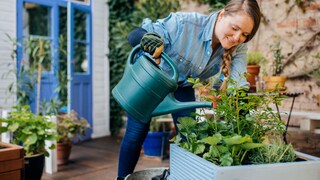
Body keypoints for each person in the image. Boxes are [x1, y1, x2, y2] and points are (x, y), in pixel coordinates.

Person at [117, 0, 261, 178]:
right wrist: (148, 40)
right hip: (152, 81)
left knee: (191, 136)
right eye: (234, 28)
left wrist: (245, 121)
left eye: (245, 34)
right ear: (222, 15)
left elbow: (238, 84)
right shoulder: (185, 24)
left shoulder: (238, 48)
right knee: (135, 134)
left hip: (182, 86)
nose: (237, 37)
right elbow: (135, 35)